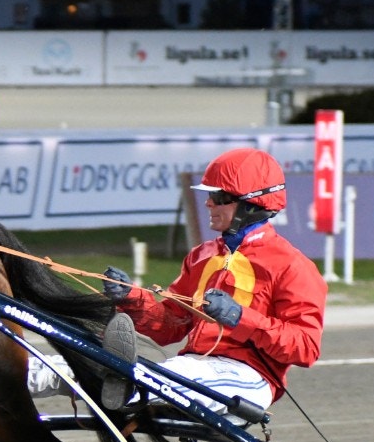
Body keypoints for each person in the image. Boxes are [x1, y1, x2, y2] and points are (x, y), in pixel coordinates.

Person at [28, 147, 327, 417]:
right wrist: (131, 297)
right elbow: (169, 327)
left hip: (249, 378)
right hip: (194, 367)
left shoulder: (293, 265)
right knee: (81, 359)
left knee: (166, 373)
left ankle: (125, 384)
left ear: (252, 205)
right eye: (209, 195)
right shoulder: (201, 256)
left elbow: (305, 347)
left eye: (220, 197)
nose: (209, 203)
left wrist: (240, 317)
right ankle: (12, 374)